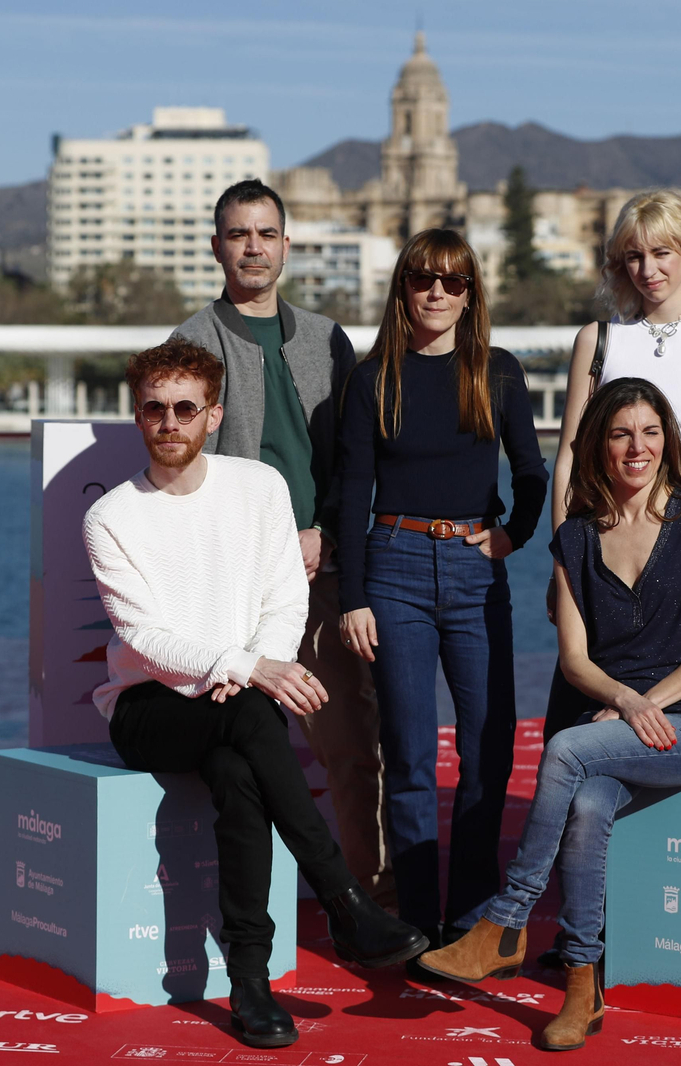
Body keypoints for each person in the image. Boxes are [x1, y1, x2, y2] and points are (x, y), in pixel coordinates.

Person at [83, 340, 425, 1049]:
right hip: (147, 704)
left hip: (237, 694)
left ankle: (249, 982)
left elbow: (284, 596)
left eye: (185, 408)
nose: (168, 422)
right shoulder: (111, 516)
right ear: (136, 414)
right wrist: (248, 670)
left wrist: (255, 667)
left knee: (241, 771)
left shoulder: (260, 486)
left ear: (213, 414)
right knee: (248, 715)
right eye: (154, 408)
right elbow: (146, 638)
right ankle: (344, 899)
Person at [416, 377, 681, 1052]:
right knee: (589, 806)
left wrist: (653, 702)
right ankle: (582, 984)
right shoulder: (574, 538)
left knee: (563, 748)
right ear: (599, 444)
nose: (637, 447)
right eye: (621, 433)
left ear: (667, 441)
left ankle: (506, 923)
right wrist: (625, 700)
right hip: (623, 721)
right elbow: (576, 662)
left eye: (650, 432)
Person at [171, 179, 390, 907]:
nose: (253, 248)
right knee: (240, 754)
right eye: (239, 235)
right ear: (216, 247)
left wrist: (324, 533)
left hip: (321, 568)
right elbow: (179, 472)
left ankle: (369, 900)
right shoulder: (191, 345)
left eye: (266, 234)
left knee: (353, 745)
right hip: (230, 586)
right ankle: (242, 909)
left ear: (287, 245)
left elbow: (354, 457)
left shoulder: (328, 338)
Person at [336, 228, 548, 960]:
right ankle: (419, 921)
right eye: (423, 279)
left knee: (489, 746)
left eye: (453, 282)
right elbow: (352, 493)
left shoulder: (498, 372)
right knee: (410, 749)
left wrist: (512, 536)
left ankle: (471, 917)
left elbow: (532, 476)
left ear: (470, 294)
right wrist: (353, 598)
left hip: (472, 569)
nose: (436, 292)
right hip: (391, 566)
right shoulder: (374, 380)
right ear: (403, 287)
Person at [545, 190, 681, 742]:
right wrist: (563, 561)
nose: (648, 269)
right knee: (585, 702)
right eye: (634, 256)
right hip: (609, 549)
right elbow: (570, 453)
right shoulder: (598, 341)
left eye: (662, 253)